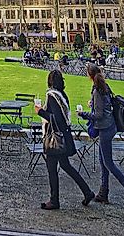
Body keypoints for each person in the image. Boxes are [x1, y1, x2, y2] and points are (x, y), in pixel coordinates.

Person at [79, 64, 124, 212]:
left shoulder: (97, 90)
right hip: (110, 126)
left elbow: (98, 115)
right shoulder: (104, 86)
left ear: (89, 76)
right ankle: (104, 192)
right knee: (103, 162)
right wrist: (93, 105)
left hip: (105, 128)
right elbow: (105, 106)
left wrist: (83, 114)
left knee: (109, 164)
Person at [35, 70, 95, 210]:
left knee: (52, 169)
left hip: (55, 138)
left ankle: (54, 200)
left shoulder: (52, 96)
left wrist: (40, 112)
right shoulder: (63, 96)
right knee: (66, 166)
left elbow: (56, 119)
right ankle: (87, 192)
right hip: (64, 136)